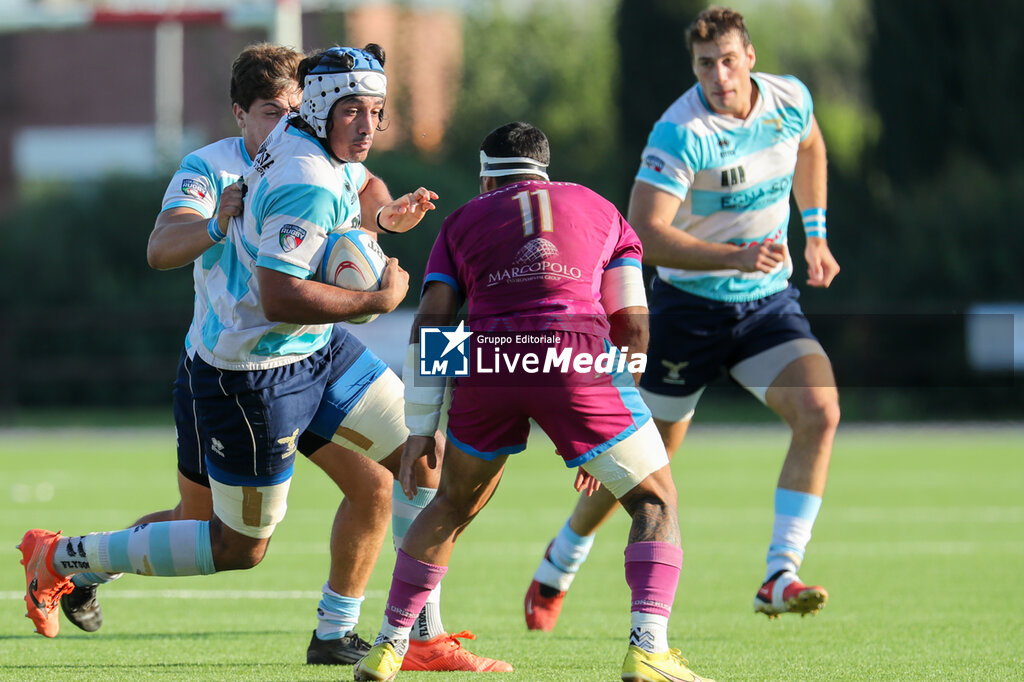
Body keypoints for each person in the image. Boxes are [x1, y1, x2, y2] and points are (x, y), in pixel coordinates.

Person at [21, 44, 507, 673]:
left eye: (374, 112)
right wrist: (374, 296)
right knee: (231, 544)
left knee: (417, 461)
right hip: (246, 375)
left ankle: (401, 634)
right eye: (275, 110)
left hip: (314, 352)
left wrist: (380, 216)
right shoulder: (236, 169)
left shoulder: (319, 148)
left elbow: (363, 184)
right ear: (241, 113)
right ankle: (64, 558)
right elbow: (241, 280)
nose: (364, 125)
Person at [353, 122, 715, 682]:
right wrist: (617, 426)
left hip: (489, 354)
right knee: (655, 502)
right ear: (543, 171)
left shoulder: (460, 221)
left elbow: (432, 323)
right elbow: (633, 326)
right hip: (577, 356)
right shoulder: (599, 208)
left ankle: (388, 646)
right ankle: (649, 649)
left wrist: (422, 428)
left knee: (449, 505)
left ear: (484, 176)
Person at [524, 5, 841, 630]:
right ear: (693, 67)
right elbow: (645, 233)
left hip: (766, 305)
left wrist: (817, 235)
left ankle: (779, 574)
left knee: (821, 411)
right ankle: (561, 560)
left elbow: (810, 145)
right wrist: (738, 254)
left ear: (749, 55)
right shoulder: (681, 131)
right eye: (705, 64)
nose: (719, 75)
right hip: (688, 312)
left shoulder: (789, 99)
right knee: (640, 468)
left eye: (728, 60)